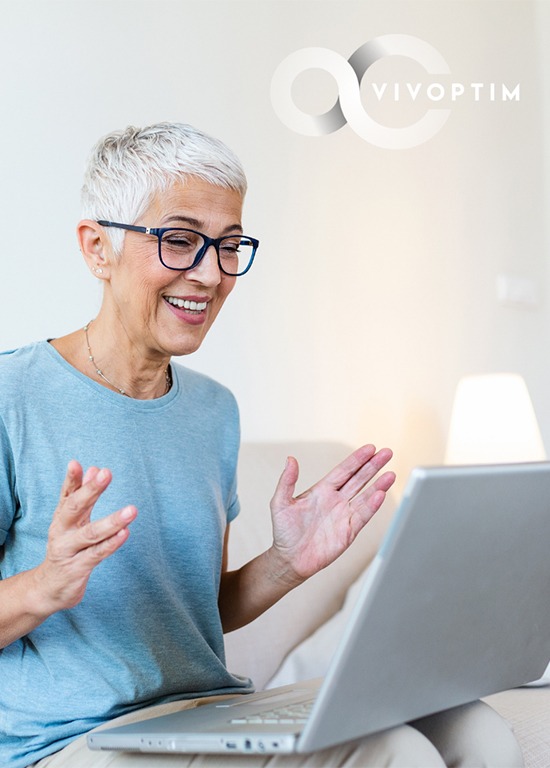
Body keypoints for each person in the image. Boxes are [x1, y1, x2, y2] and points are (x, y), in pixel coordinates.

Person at [0, 122, 523, 768]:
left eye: (228, 246)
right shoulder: (12, 396)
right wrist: (44, 588)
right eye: (181, 241)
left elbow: (201, 610)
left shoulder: (213, 409)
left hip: (200, 714)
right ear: (97, 249)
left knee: (479, 735)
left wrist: (286, 562)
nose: (210, 274)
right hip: (73, 741)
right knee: (400, 757)